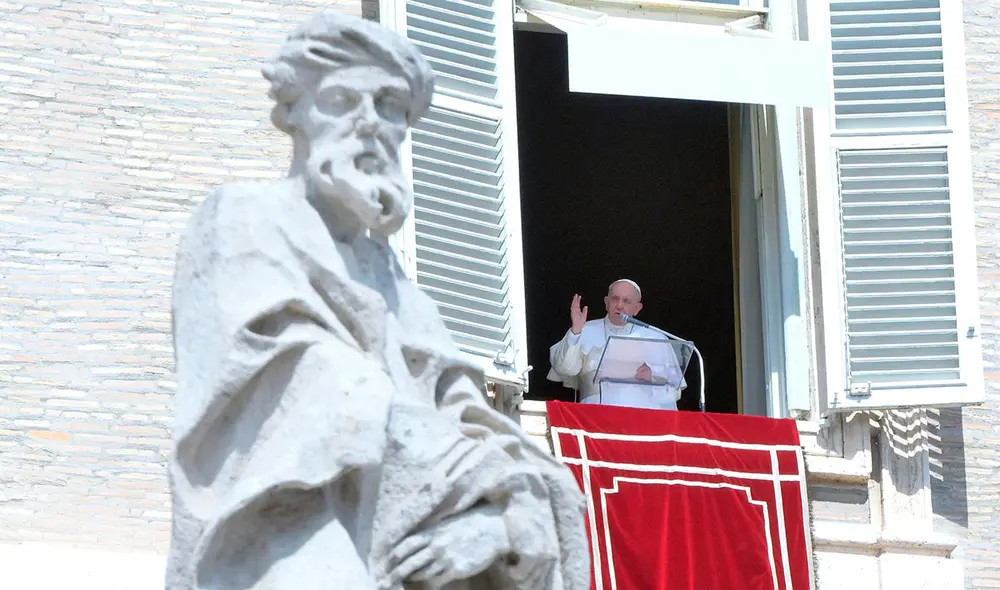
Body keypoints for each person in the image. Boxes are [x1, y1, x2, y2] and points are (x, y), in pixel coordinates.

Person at [165, 11, 589, 590]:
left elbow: (467, 411)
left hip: (405, 527)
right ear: (294, 111)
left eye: (390, 106)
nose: (370, 123)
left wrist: (505, 524)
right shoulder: (243, 218)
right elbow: (304, 386)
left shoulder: (397, 283)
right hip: (294, 519)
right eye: (342, 99)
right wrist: (479, 481)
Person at [547, 279, 686, 410]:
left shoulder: (656, 337)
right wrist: (575, 332)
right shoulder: (584, 329)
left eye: (626, 301)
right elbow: (564, 369)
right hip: (594, 416)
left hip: (644, 420)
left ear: (637, 308)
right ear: (606, 302)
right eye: (615, 299)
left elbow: (674, 393)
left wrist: (653, 378)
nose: (619, 305)